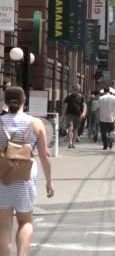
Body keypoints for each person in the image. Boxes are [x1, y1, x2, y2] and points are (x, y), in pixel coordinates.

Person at [0, 86, 54, 256]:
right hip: (25, 177)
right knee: (25, 222)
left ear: (5, 102)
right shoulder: (36, 123)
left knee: (3, 227)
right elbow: (45, 155)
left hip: (2, 176)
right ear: (24, 100)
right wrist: (49, 181)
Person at [63, 84, 86, 149]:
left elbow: (84, 105)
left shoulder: (81, 97)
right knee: (70, 128)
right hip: (69, 115)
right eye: (75, 89)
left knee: (75, 130)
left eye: (78, 89)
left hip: (78, 115)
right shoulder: (69, 96)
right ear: (72, 89)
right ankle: (70, 143)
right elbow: (65, 106)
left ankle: (73, 143)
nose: (76, 90)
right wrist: (63, 115)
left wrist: (83, 113)